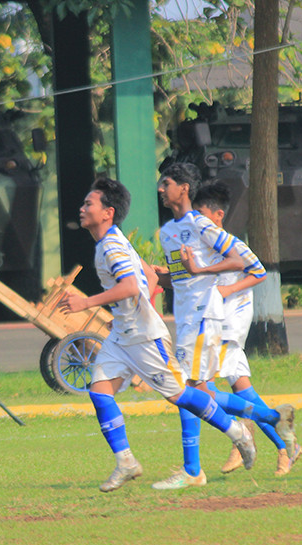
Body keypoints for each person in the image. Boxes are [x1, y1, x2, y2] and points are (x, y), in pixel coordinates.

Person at [59, 177, 255, 493]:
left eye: (88, 204)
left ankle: (238, 433)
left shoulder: (111, 246)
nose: (82, 208)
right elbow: (149, 276)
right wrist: (129, 314)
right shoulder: (111, 241)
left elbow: (131, 286)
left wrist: (86, 303)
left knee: (180, 395)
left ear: (108, 212)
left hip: (145, 338)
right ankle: (126, 462)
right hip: (123, 335)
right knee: (99, 392)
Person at [190, 180, 301, 476]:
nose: (197, 222)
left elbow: (259, 272)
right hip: (216, 328)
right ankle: (284, 446)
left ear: (218, 216)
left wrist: (228, 291)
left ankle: (242, 436)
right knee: (243, 391)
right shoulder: (204, 248)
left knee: (200, 389)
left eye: (202, 215)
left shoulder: (232, 244)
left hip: (227, 329)